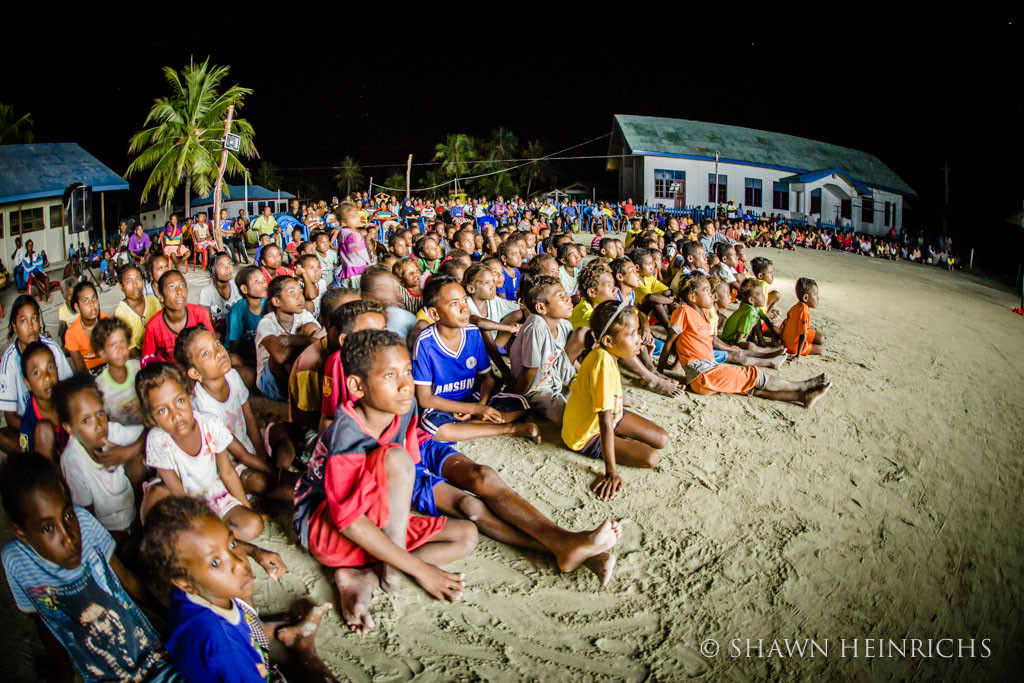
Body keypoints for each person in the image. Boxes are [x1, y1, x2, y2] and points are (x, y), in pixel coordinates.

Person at [294, 329, 478, 635]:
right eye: (390, 375)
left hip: (373, 522)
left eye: (407, 371)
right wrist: (422, 570)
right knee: (395, 458)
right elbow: (349, 523)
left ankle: (361, 573)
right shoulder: (347, 434)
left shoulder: (400, 408)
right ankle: (391, 567)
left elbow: (396, 486)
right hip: (323, 528)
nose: (406, 385)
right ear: (357, 386)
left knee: (466, 535)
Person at [0, 451, 178, 682]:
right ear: (21, 532)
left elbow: (126, 578)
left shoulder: (84, 522)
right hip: (100, 675)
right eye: (47, 528)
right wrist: (63, 672)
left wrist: (171, 620)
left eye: (67, 515)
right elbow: (43, 621)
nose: (69, 537)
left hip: (147, 654)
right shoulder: (16, 561)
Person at [140, 496, 336, 682]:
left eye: (232, 544)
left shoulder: (187, 589)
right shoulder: (224, 645)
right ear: (183, 582)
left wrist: (254, 550)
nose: (238, 563)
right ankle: (302, 646)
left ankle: (275, 633)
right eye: (215, 563)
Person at [136, 362, 264, 541]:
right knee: (155, 504)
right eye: (163, 410)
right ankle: (212, 538)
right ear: (151, 418)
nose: (176, 415)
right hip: (184, 501)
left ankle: (215, 537)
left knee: (254, 525)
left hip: (214, 491)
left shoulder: (210, 424)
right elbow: (178, 492)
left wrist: (245, 508)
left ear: (189, 396)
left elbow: (227, 472)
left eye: (179, 401)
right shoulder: (158, 439)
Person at [664, 274, 832, 406]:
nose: (712, 295)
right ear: (693, 296)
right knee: (752, 374)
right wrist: (659, 372)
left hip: (709, 371)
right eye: (707, 291)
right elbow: (671, 341)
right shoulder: (683, 311)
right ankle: (802, 385)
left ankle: (803, 396)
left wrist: (675, 365)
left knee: (751, 388)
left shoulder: (705, 315)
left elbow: (688, 343)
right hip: (703, 374)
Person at [561, 301, 669, 501]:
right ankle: (618, 444)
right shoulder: (601, 362)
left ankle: (622, 441)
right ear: (609, 341)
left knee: (662, 438)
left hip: (612, 415)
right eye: (631, 335)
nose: (639, 340)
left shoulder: (609, 354)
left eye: (637, 332)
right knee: (652, 458)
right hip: (586, 433)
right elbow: (604, 422)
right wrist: (611, 471)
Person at [413, 276, 538, 444]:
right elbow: (425, 398)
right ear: (434, 313)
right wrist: (475, 409)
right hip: (442, 405)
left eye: (465, 300)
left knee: (522, 403)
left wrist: (481, 404)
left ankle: (469, 425)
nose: (464, 308)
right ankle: (510, 428)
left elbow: (487, 378)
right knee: (434, 428)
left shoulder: (472, 333)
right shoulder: (426, 343)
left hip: (472, 396)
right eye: (454, 304)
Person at [176, 326, 297, 500]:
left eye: (217, 344)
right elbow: (240, 454)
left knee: (286, 432)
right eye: (206, 354)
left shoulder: (232, 375)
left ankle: (277, 473)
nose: (218, 352)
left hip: (247, 443)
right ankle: (275, 483)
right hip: (231, 461)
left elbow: (249, 418)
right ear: (195, 373)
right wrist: (279, 474)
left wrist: (263, 456)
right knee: (257, 481)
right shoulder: (203, 408)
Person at [54, 374, 146, 543]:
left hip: (133, 513)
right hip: (109, 533)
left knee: (140, 458)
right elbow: (87, 517)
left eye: (100, 412)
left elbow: (149, 432)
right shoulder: (72, 460)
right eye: (85, 420)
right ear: (69, 428)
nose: (98, 424)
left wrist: (128, 452)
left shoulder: (110, 432)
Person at [0, 296, 74, 454]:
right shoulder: (9, 361)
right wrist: (39, 433)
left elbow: (70, 389)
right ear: (14, 326)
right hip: (28, 423)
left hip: (58, 418)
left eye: (34, 318)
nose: (31, 326)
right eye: (24, 321)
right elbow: (10, 416)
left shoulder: (52, 348)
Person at [509, 276, 584, 422]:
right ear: (541, 307)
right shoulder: (536, 326)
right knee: (571, 417)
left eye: (565, 294)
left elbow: (564, 357)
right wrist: (514, 400)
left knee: (589, 396)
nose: (568, 299)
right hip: (534, 388)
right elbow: (529, 371)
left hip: (554, 378)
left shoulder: (564, 325)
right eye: (560, 296)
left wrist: (583, 374)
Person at [255, 275, 324, 401]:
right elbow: (280, 357)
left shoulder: (304, 315)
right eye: (292, 292)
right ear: (277, 301)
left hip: (295, 368)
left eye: (300, 292)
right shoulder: (266, 323)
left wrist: (295, 340)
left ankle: (307, 388)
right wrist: (309, 345)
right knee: (277, 356)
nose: (300, 297)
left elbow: (324, 342)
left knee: (311, 327)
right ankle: (297, 395)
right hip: (272, 383)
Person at [141, 270, 214, 366]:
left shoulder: (200, 314)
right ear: (160, 296)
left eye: (183, 285)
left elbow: (212, 346)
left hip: (199, 368)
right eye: (171, 287)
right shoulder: (153, 326)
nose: (179, 291)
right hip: (171, 374)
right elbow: (147, 361)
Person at [17, 341, 69, 460]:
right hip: (55, 473)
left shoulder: (69, 395)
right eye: (37, 372)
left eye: (50, 367)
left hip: (81, 463)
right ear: (27, 384)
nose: (46, 377)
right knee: (43, 430)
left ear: (57, 369)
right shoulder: (29, 423)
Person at [92, 317, 143, 425]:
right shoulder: (99, 387)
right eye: (113, 345)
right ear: (102, 352)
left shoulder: (138, 368)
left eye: (123, 343)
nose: (120, 349)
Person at [225, 266, 265, 390]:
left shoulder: (268, 305)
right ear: (244, 289)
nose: (263, 284)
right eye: (257, 281)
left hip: (262, 352)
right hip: (244, 353)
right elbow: (235, 346)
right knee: (234, 361)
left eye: (264, 280)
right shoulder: (238, 311)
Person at [113, 263, 162, 354]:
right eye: (129, 281)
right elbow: (131, 349)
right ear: (121, 287)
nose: (135, 285)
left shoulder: (152, 301)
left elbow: (162, 330)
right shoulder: (121, 313)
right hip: (138, 357)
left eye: (138, 279)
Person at [64, 281, 110, 374]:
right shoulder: (72, 333)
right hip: (89, 373)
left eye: (94, 298)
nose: (92, 304)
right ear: (77, 307)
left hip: (111, 366)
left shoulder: (108, 322)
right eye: (85, 300)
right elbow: (81, 369)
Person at [198, 251, 242, 338]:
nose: (228, 268)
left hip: (234, 328)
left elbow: (242, 312)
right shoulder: (207, 291)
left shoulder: (236, 285)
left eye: (230, 264)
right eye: (222, 265)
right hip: (217, 331)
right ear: (213, 269)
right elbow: (206, 321)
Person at [780, 277, 825, 358]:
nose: (818, 298)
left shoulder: (796, 307)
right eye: (815, 295)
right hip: (794, 346)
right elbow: (803, 335)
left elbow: (785, 323)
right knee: (820, 349)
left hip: (789, 339)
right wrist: (798, 355)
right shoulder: (804, 311)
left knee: (821, 338)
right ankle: (802, 348)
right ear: (806, 298)